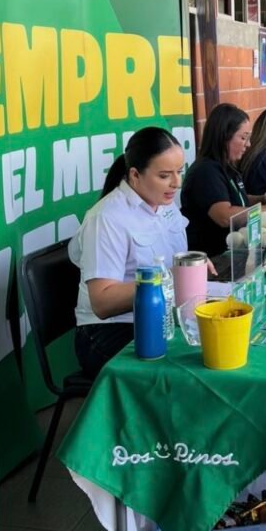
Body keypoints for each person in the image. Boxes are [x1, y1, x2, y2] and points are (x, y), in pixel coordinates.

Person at [68, 127, 188, 378]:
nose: (176, 183)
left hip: (160, 316)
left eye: (179, 171)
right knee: (179, 370)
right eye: (165, 175)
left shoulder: (165, 204)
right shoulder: (107, 218)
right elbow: (102, 302)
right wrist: (168, 279)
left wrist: (191, 269)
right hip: (108, 330)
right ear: (135, 174)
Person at [181, 103, 266, 257]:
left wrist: (265, 198)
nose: (248, 144)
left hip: (237, 253)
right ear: (224, 137)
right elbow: (225, 216)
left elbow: (237, 200)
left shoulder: (227, 166)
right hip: (215, 258)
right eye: (243, 138)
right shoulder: (206, 171)